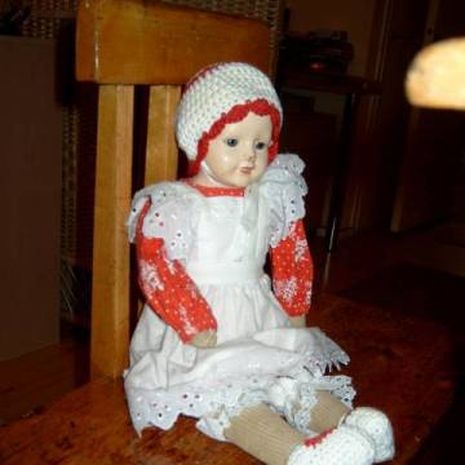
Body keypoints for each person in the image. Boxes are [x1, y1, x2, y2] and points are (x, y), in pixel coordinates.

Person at [124, 62, 395, 465]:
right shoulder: (176, 205)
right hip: (198, 331)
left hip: (259, 315)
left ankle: (349, 425)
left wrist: (295, 308)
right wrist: (192, 319)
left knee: (289, 378)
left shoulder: (272, 193)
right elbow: (156, 266)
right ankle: (294, 453)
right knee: (231, 396)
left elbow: (292, 253)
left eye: (261, 144)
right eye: (233, 142)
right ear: (198, 141)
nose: (249, 157)